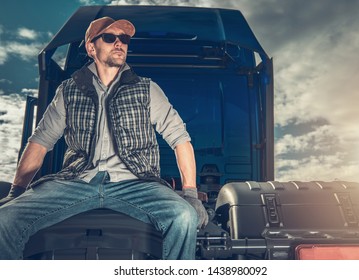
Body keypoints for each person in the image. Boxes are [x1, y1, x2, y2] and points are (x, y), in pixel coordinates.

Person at [0, 17, 208, 260]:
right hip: (76, 182)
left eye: (125, 39)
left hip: (137, 184)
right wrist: (17, 192)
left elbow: (180, 138)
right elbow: (40, 142)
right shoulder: (68, 91)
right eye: (110, 38)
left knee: (183, 216)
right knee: (5, 219)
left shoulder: (147, 89)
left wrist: (191, 194)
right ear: (91, 47)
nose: (119, 43)